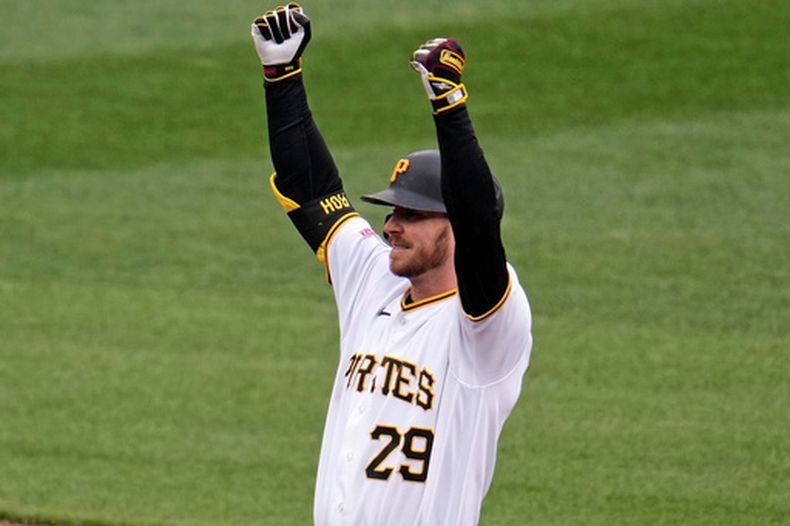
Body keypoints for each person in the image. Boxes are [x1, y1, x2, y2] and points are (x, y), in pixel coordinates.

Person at [251, 4, 533, 525]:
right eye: (392, 211)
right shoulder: (374, 279)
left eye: (413, 214)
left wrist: (449, 105)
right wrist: (281, 76)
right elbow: (313, 191)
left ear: (452, 226)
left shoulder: (488, 331)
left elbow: (478, 221)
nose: (391, 226)